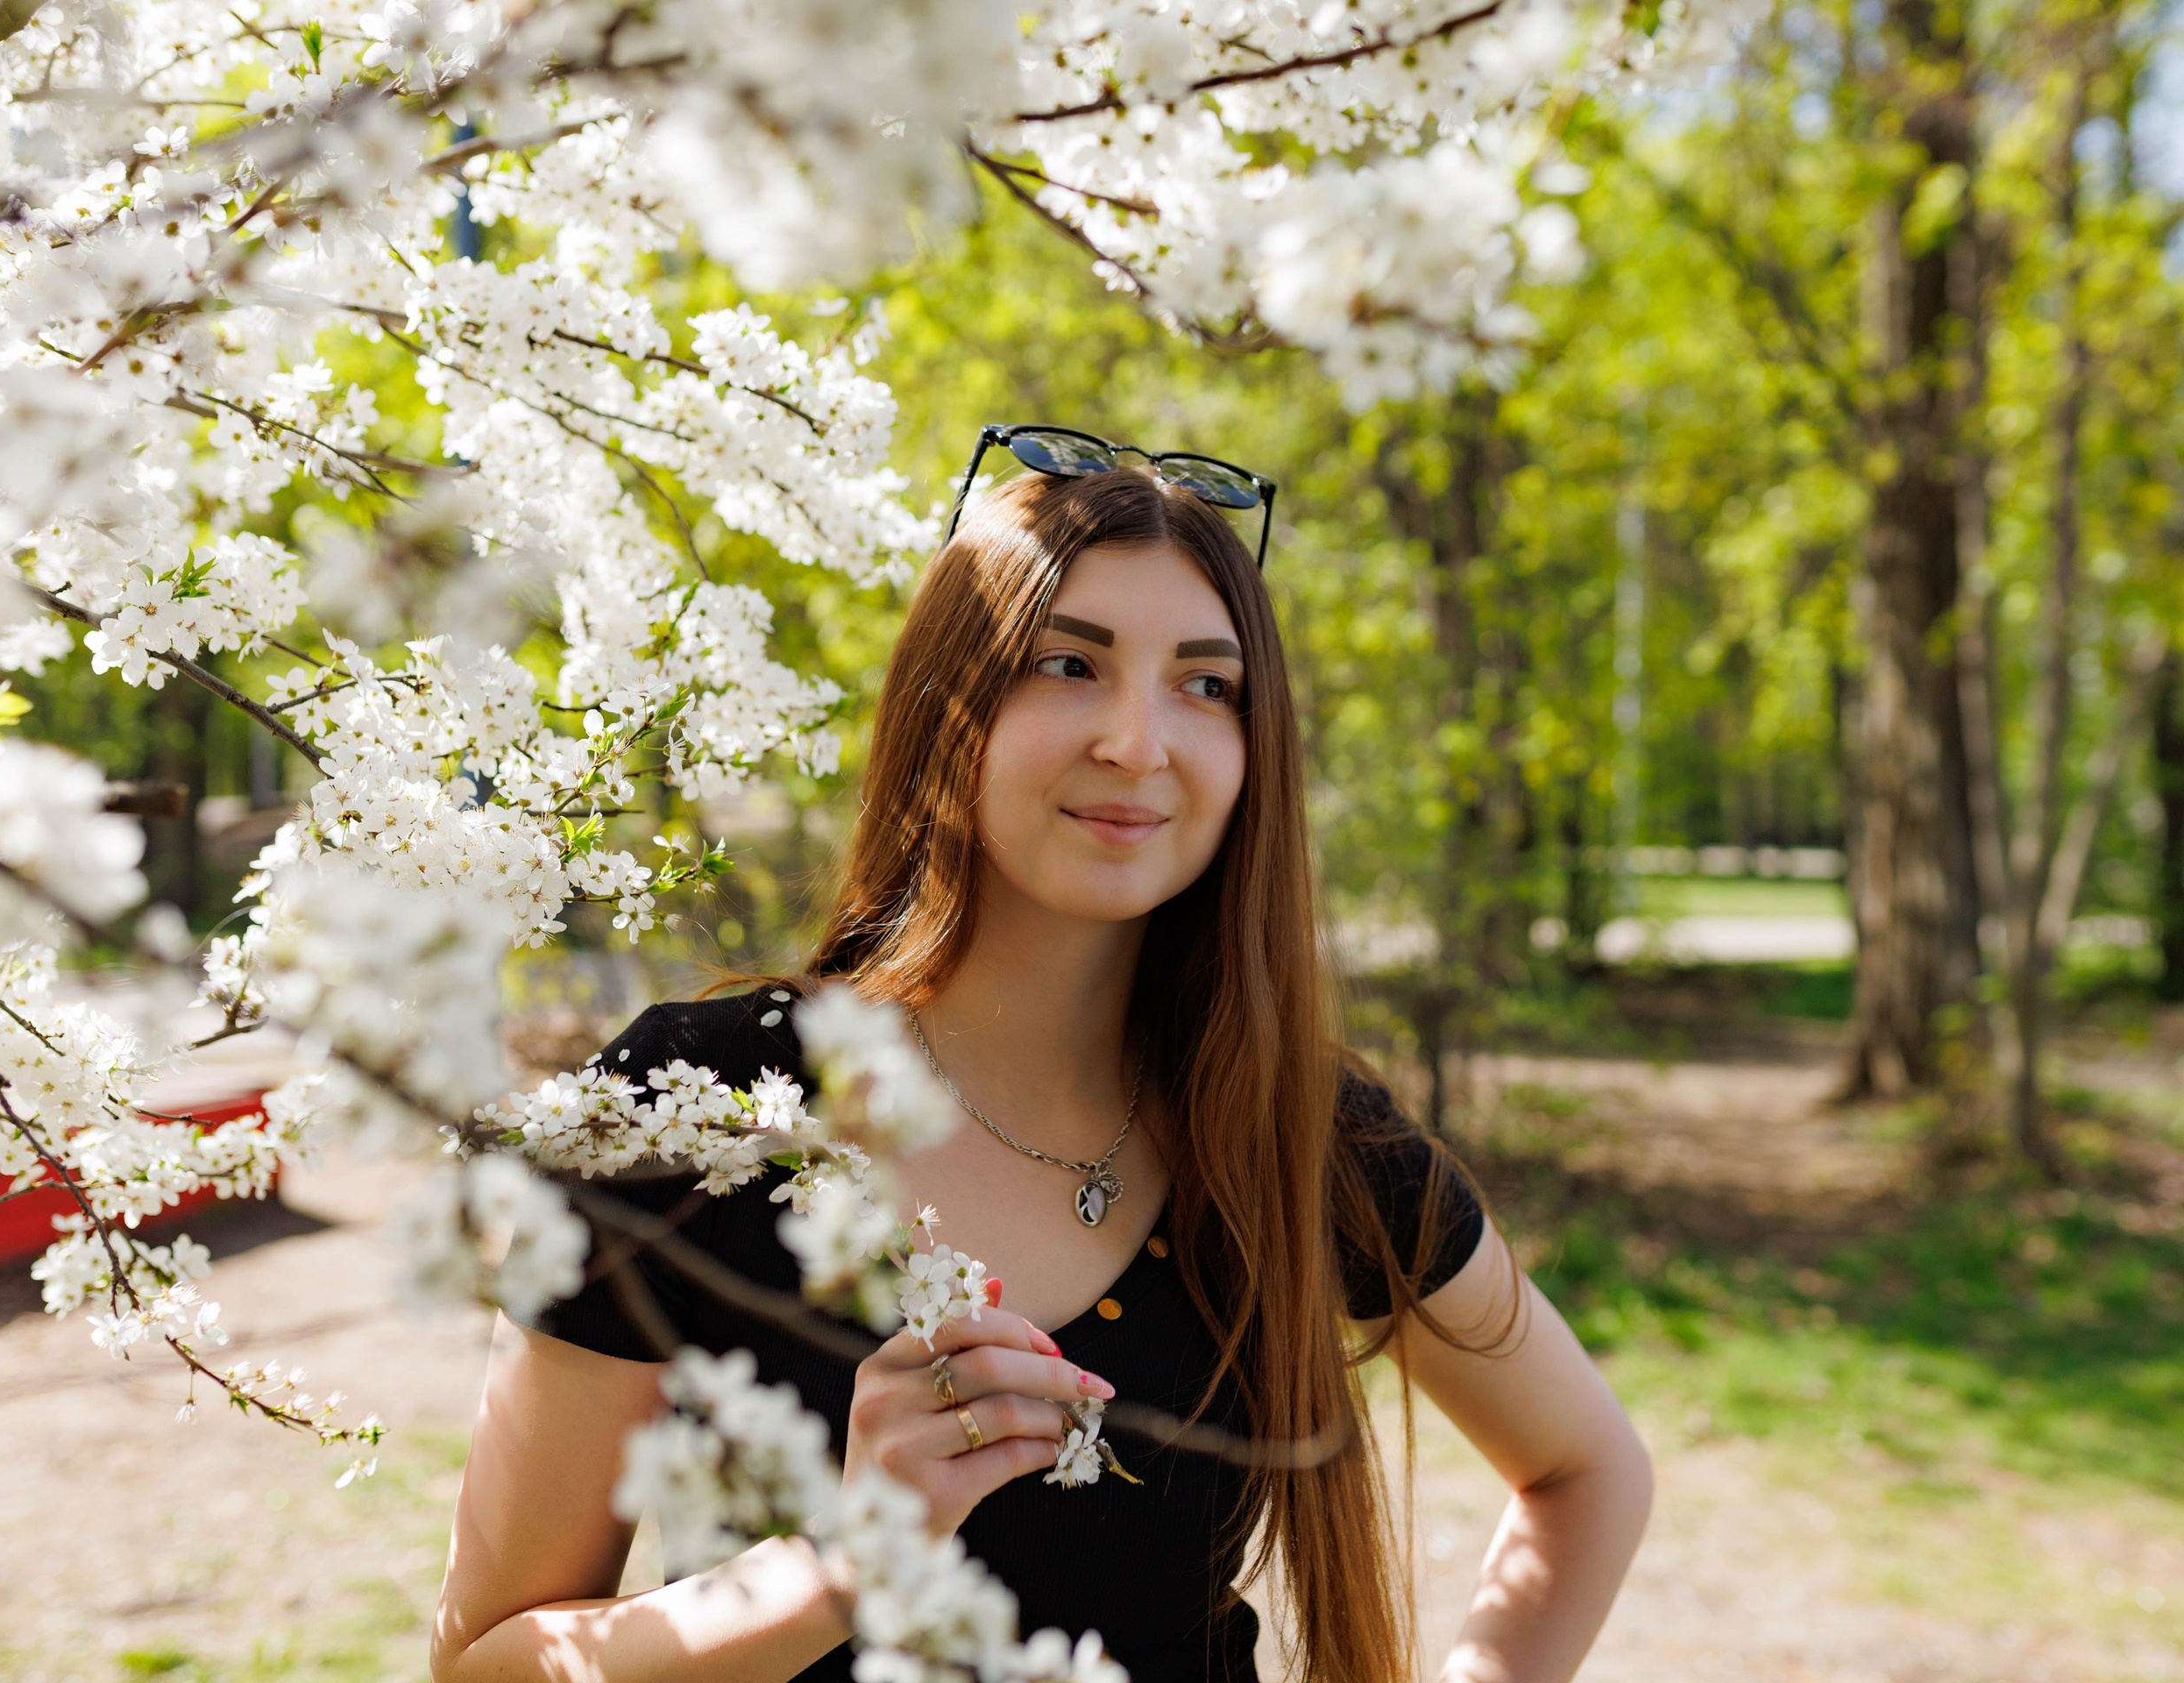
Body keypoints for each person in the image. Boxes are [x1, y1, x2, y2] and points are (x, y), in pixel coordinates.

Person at [430, 438, 1653, 1683]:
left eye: (1208, 685)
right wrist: (839, 1570)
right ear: (947, 703)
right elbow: (485, 1665)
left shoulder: (1299, 1126)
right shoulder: (690, 1107)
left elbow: (1586, 1470)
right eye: (1068, 665)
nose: (1138, 742)